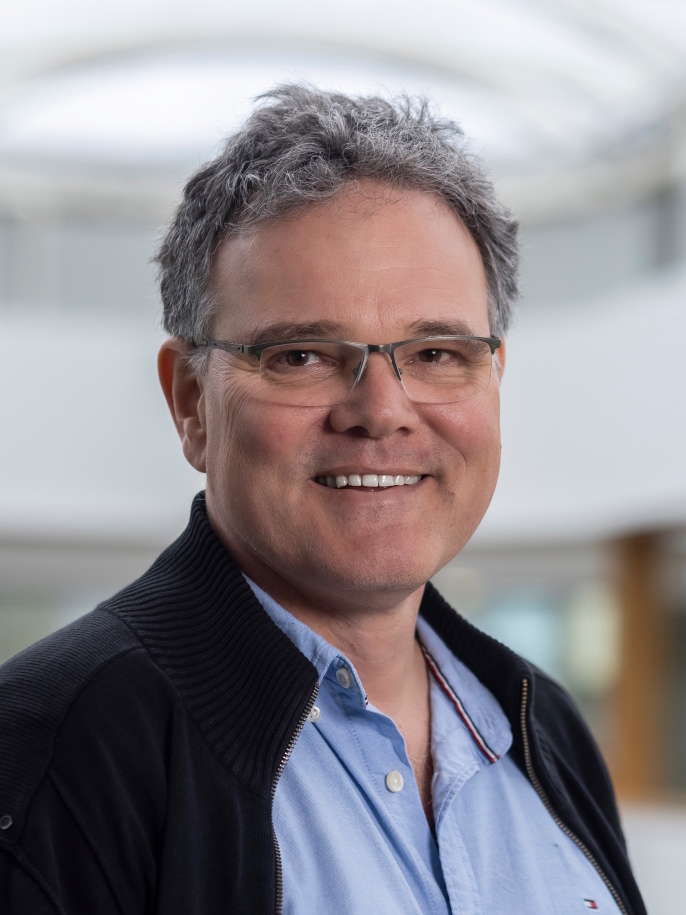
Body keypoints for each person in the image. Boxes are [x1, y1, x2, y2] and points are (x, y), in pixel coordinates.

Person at [0, 86, 645, 915]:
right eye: (302, 354)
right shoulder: (53, 752)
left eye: (437, 352)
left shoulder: (541, 725)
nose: (381, 411)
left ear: (494, 377)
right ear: (191, 403)